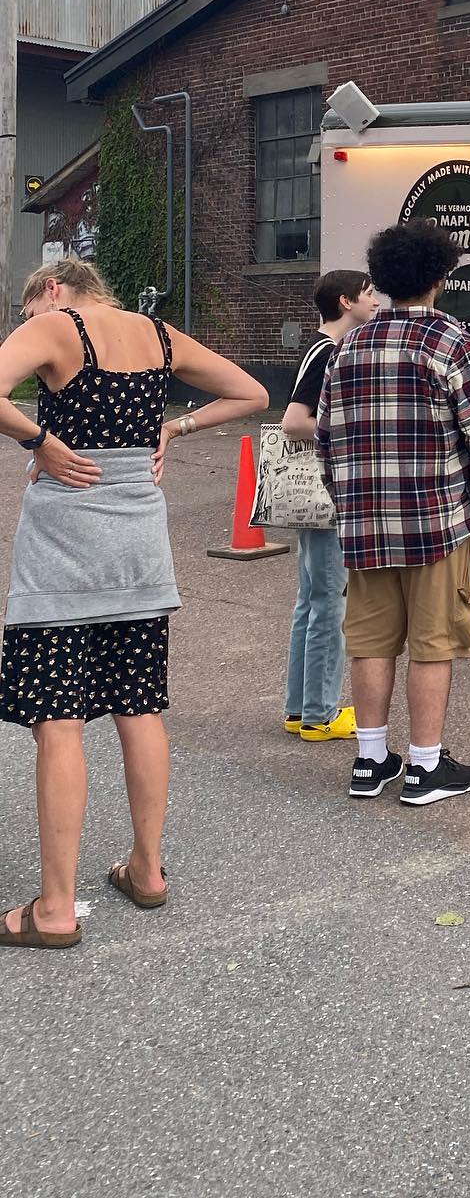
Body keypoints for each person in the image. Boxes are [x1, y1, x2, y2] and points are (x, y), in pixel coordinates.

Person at [0, 259, 266, 950]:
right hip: (139, 551)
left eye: (27, 313)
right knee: (139, 707)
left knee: (59, 722)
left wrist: (39, 440)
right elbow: (251, 392)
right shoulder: (159, 335)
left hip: (63, 551)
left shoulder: (58, 327)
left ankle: (55, 909)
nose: (29, 326)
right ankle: (147, 869)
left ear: (52, 289)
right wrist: (174, 429)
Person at [317, 222, 470, 807]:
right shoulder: (451, 342)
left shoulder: (349, 346)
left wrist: (349, 504)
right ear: (440, 276)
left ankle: (370, 760)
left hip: (365, 526)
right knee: (434, 642)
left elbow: (326, 441)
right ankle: (426, 768)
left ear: (381, 277)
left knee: (371, 641)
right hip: (437, 522)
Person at [279, 268, 379, 740]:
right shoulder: (328, 351)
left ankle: (301, 708)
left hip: (314, 493)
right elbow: (294, 421)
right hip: (327, 491)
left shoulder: (323, 348)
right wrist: (351, 432)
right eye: (368, 293)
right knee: (329, 605)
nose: (375, 300)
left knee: (312, 601)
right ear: (345, 302)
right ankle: (320, 714)